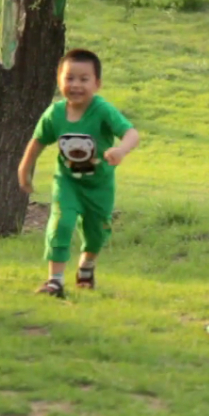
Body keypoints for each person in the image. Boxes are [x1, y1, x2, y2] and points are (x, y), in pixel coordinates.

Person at [17, 48, 139, 298]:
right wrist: (24, 168)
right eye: (69, 78)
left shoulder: (103, 110)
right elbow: (38, 141)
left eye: (84, 79)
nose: (76, 85)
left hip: (99, 186)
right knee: (60, 224)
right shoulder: (55, 114)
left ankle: (87, 264)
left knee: (97, 233)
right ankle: (55, 281)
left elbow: (131, 133)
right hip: (67, 183)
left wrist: (121, 150)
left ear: (97, 83)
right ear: (59, 80)